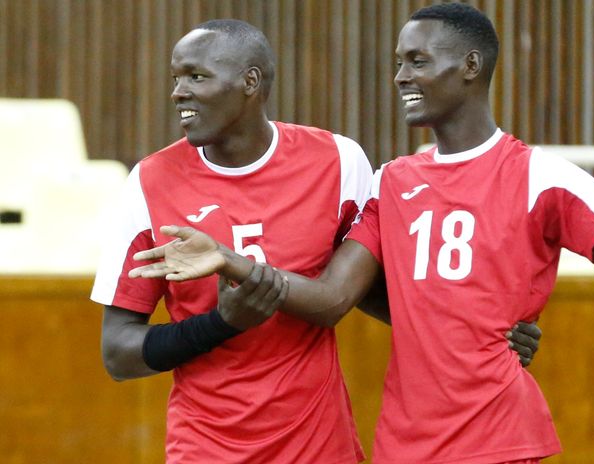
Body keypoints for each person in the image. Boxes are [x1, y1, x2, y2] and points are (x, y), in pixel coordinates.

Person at [129, 4, 594, 464]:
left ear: (470, 68)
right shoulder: (391, 182)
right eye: (398, 60)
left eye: (417, 61)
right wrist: (233, 264)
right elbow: (333, 299)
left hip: (499, 441)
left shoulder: (539, 176)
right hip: (401, 447)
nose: (399, 75)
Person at [90, 18, 541, 463]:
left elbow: (369, 292)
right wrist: (221, 324)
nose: (178, 92)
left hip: (323, 448)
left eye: (196, 76)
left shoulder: (337, 161)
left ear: (250, 82)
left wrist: (488, 332)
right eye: (176, 78)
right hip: (207, 450)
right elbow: (118, 354)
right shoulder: (149, 183)